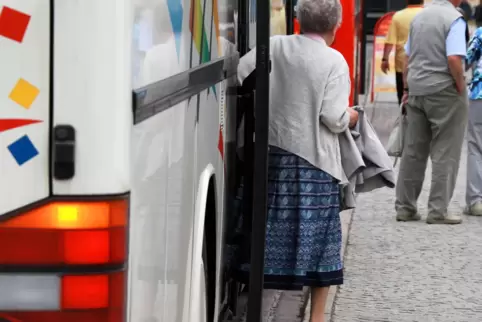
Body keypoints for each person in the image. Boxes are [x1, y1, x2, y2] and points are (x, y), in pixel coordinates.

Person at [236, 0, 358, 320]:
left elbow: (242, 72)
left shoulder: (275, 45)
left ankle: (257, 309)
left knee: (266, 234)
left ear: (297, 19)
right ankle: (316, 317)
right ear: (336, 27)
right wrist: (351, 117)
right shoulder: (334, 61)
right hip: (314, 165)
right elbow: (333, 117)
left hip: (271, 155)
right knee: (323, 249)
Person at [396, 0, 468, 224]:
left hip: (417, 88)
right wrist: (460, 85)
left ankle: (405, 208)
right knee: (446, 151)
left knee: (413, 151)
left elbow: (407, 57)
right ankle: (438, 211)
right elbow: (454, 57)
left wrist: (407, 87)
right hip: (444, 90)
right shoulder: (454, 20)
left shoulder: (420, 17)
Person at [381, 0, 424, 105]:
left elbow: (390, 41)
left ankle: (404, 118)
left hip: (402, 64)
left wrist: (385, 59)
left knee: (403, 98)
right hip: (424, 63)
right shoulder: (427, 15)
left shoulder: (398, 16)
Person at [465, 5, 482, 216]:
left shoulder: (479, 34)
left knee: (476, 146)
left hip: (480, 95)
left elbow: (466, 60)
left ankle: (476, 200)